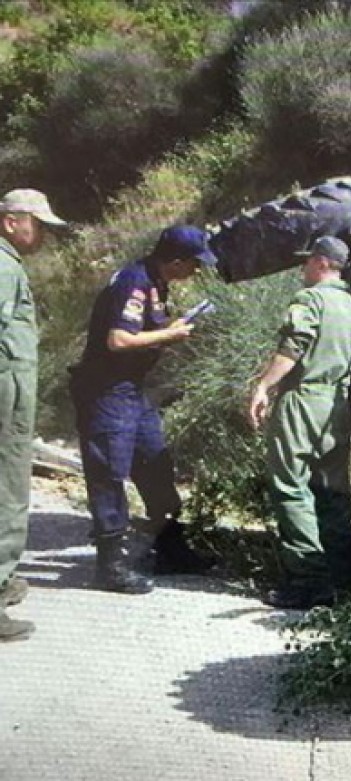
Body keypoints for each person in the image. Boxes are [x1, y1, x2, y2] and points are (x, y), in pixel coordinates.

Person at [71, 225, 217, 594]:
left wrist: (171, 327)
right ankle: (111, 564)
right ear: (175, 260)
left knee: (155, 462)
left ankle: (169, 547)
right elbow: (118, 339)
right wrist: (170, 335)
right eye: (194, 264)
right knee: (108, 471)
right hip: (106, 391)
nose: (196, 271)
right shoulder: (134, 282)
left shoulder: (155, 282)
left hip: (132, 391)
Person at [248, 236, 351, 609]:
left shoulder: (311, 300)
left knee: (290, 487)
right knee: (332, 489)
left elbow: (294, 346)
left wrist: (264, 385)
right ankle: (342, 574)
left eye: (307, 263)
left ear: (320, 263)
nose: (303, 270)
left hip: (304, 399)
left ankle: (307, 578)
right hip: (337, 403)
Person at [0, 189, 64, 642]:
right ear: (10, 222)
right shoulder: (4, 268)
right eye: (36, 224)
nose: (41, 233)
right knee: (7, 491)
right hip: (6, 394)